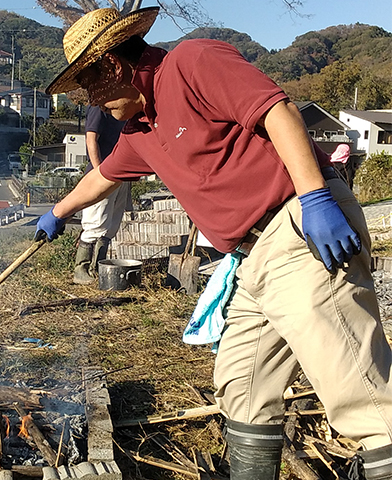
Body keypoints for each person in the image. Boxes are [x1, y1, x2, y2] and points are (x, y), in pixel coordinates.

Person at [35, 7, 392, 479]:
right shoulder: (140, 129)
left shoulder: (192, 62)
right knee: (242, 385)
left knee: (359, 389)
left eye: (89, 85)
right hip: (253, 258)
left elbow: (277, 111)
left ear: (114, 66)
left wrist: (315, 198)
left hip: (299, 229)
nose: (90, 101)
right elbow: (103, 176)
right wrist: (56, 214)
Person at [73, 105, 130, 284]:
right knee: (95, 223)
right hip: (103, 173)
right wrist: (98, 173)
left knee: (111, 225)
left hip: (122, 173)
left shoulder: (123, 107)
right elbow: (91, 140)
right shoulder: (99, 107)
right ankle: (81, 270)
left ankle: (98, 269)